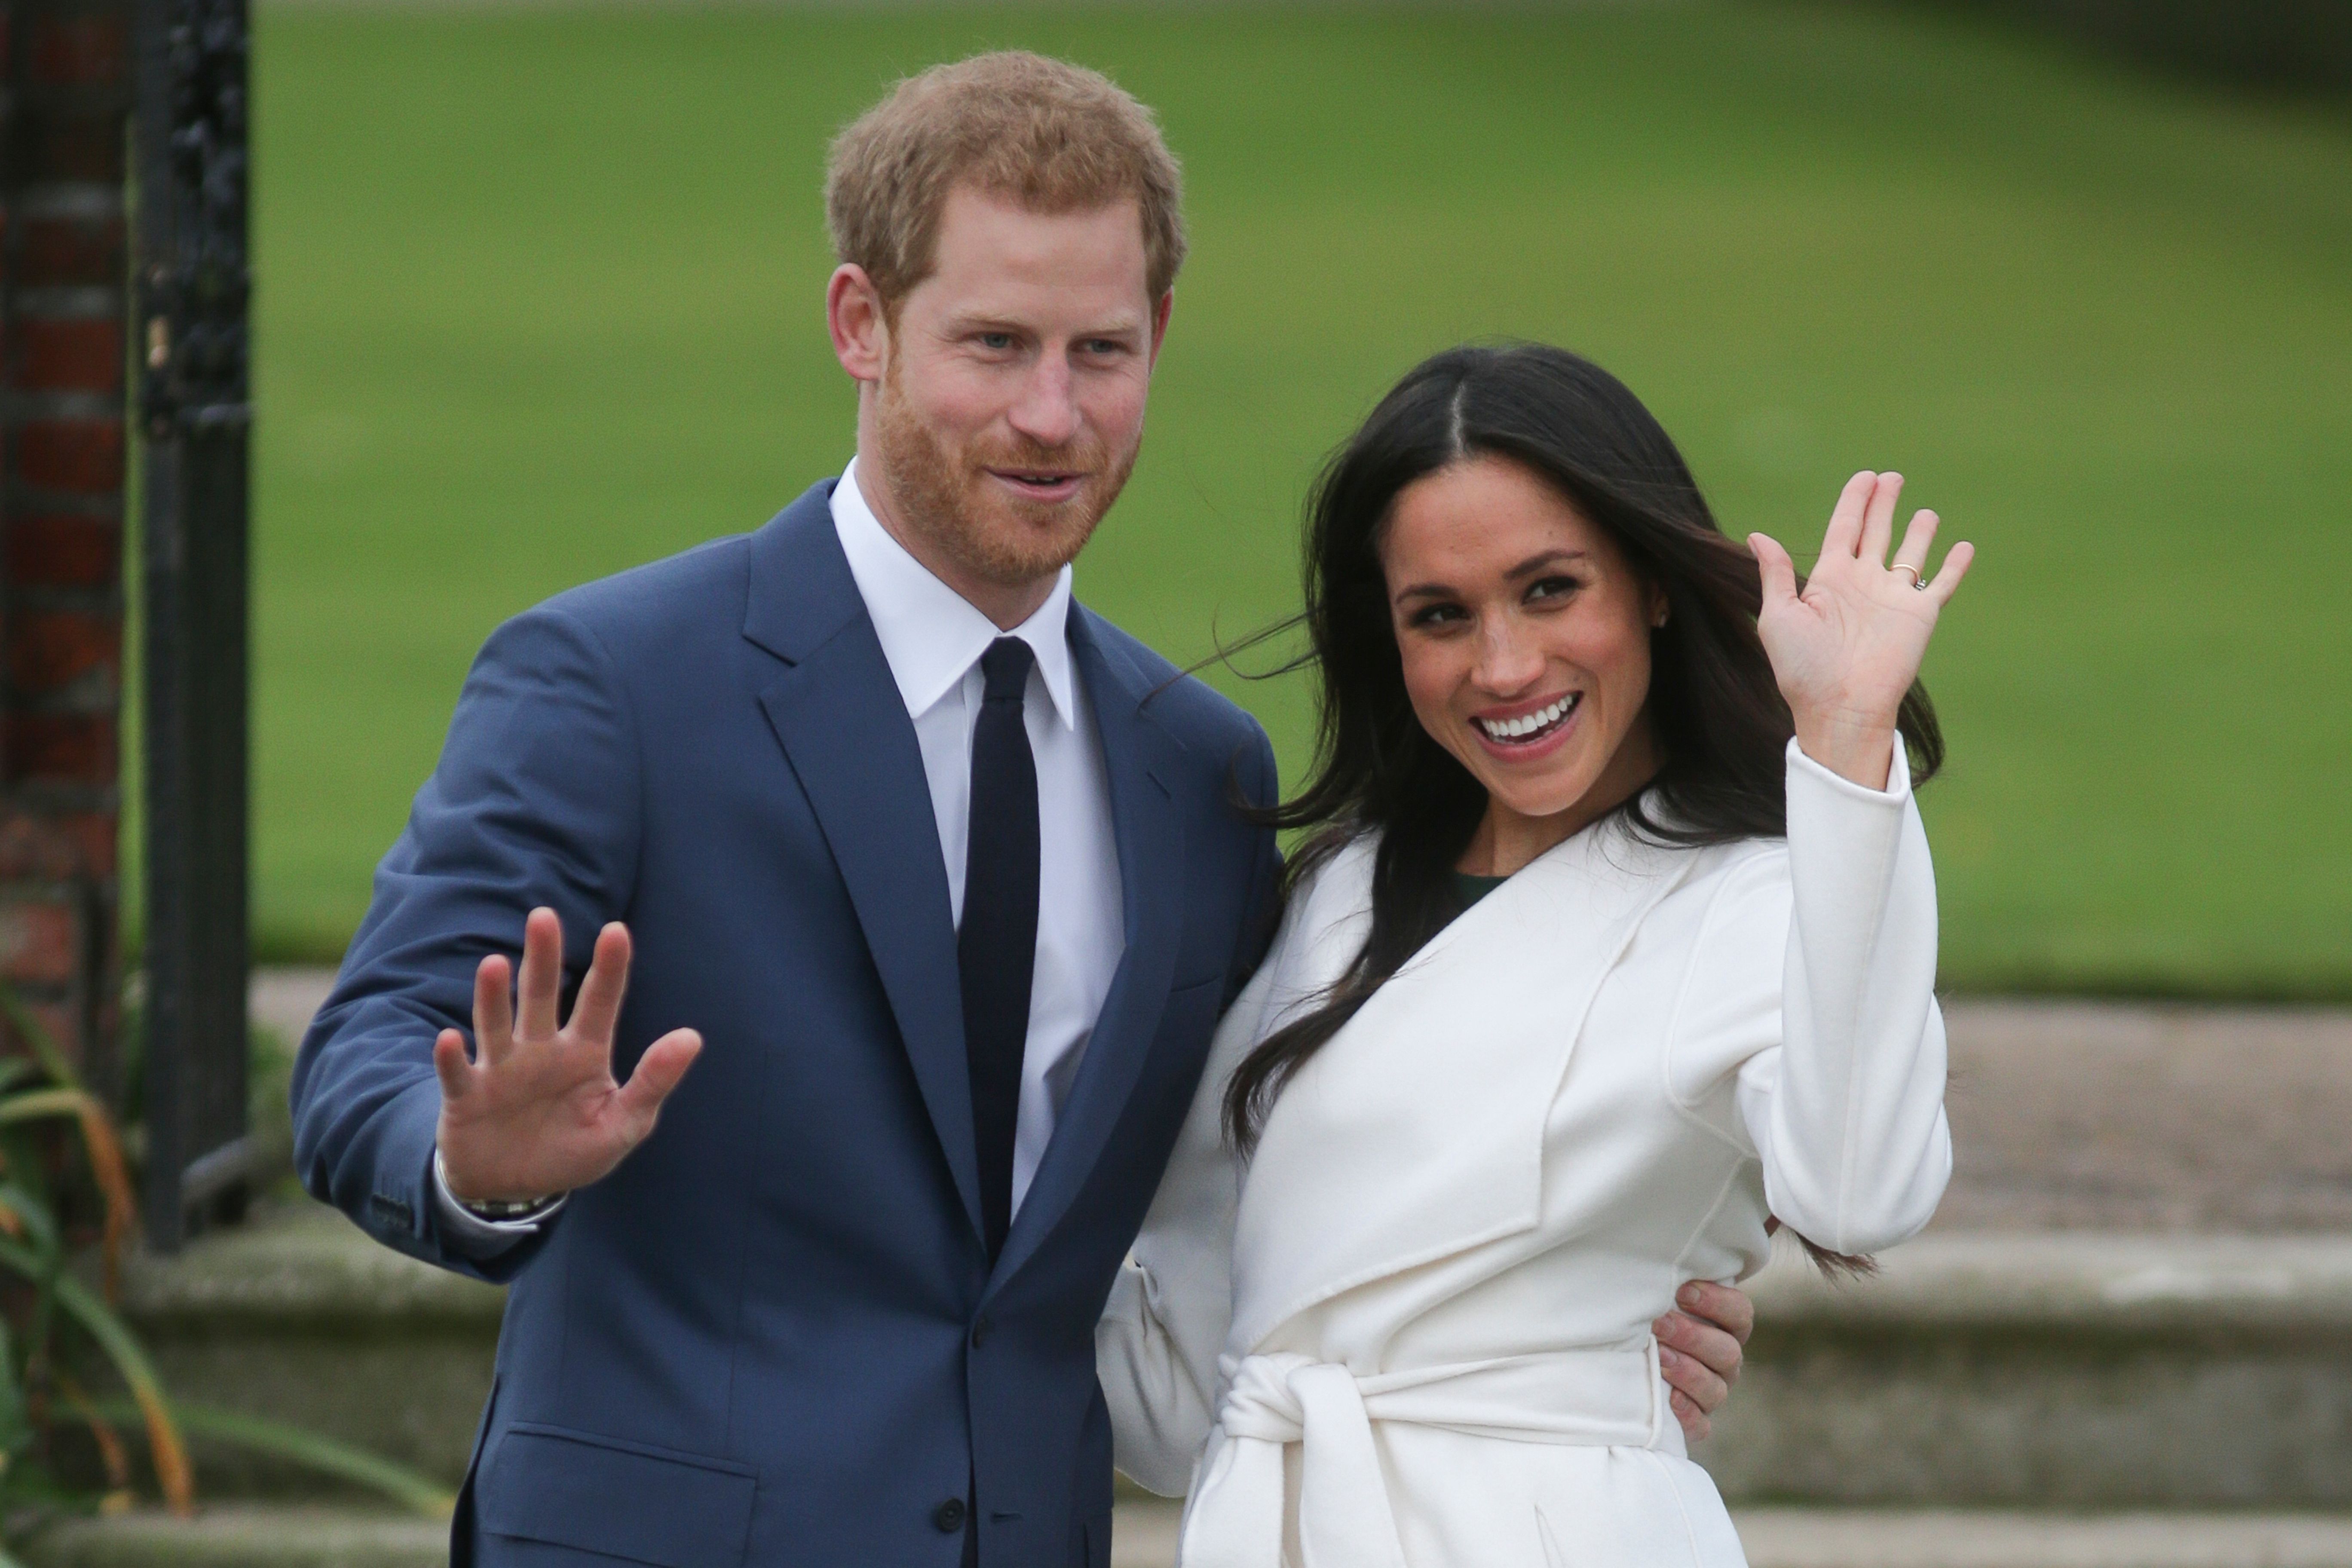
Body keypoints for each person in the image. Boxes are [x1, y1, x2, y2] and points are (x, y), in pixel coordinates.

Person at [289, 56, 1753, 1568]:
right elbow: (365, 1058)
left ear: (1159, 339)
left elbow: (1297, 1152)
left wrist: (1569, 1303)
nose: (1051, 416)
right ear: (862, 324)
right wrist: (474, 1166)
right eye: (994, 344)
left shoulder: (1201, 773)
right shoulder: (615, 683)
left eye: (1100, 351)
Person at [1096, 343, 1969, 1567]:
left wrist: (1842, 750)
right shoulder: (1342, 889)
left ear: (1652, 584)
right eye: (1440, 616)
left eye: (1551, 590)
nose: (1503, 667)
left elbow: (1863, 1191)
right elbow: (1188, 1374)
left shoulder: (1756, 893)